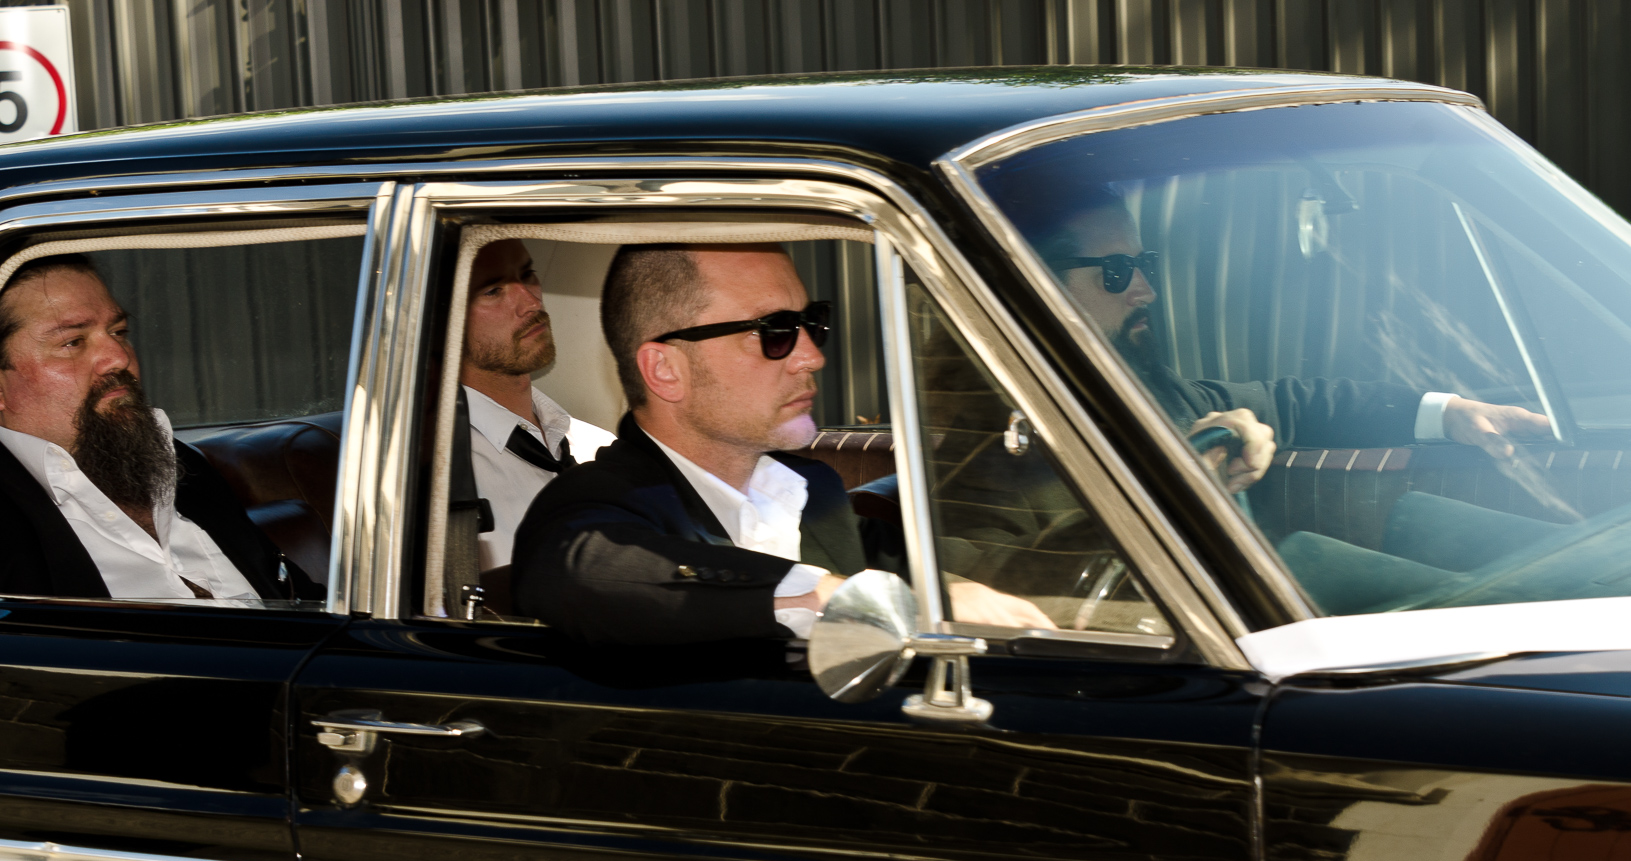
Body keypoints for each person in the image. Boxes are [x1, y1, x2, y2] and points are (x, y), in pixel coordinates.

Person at [511, 242, 1053, 644]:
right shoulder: (590, 508)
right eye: (774, 331)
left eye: (813, 322)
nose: (812, 356)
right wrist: (835, 597)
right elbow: (586, 573)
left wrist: (1073, 570)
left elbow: (924, 563)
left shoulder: (811, 489)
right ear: (666, 370)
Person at [1041, 190, 1553, 492]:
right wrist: (1174, 476)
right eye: (1116, 270)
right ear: (1037, 281)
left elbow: (1291, 403)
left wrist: (1450, 413)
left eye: (1143, 264)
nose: (1146, 291)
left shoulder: (1156, 392)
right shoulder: (1010, 436)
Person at [0, 254, 314, 601]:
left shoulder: (179, 464)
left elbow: (302, 603)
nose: (119, 357)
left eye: (119, 332)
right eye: (73, 342)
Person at [460, 238, 614, 571]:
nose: (531, 302)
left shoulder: (598, 446)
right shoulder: (442, 474)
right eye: (493, 291)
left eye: (528, 274)